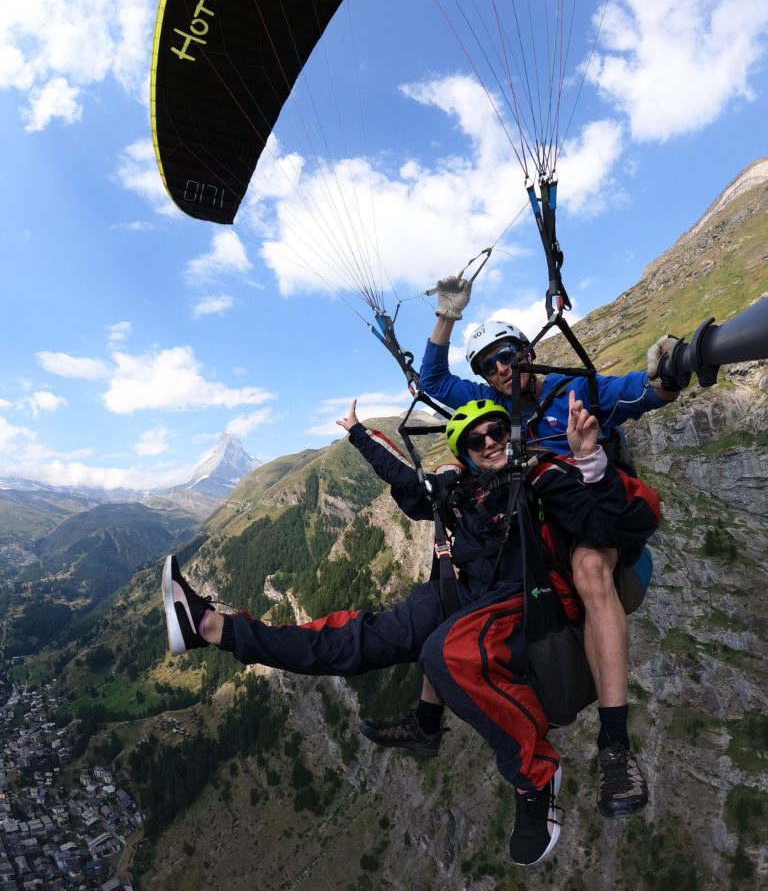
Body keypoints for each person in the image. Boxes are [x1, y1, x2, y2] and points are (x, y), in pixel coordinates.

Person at [163, 393, 659, 867]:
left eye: (496, 431)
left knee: (444, 654)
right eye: (476, 439)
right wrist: (358, 433)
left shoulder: (538, 478)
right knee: (354, 640)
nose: (490, 442)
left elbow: (632, 518)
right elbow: (402, 473)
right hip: (468, 597)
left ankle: (535, 778)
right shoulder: (455, 492)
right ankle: (211, 627)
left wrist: (590, 459)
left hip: (529, 598)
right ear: (463, 453)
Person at [361, 274, 681, 819]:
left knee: (589, 573)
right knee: (452, 589)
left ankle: (616, 746)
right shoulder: (493, 404)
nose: (502, 370)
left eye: (507, 356)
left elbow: (646, 391)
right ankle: (427, 720)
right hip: (528, 524)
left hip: (585, 519)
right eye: (489, 364)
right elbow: (434, 378)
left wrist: (671, 371)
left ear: (528, 351)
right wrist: (446, 315)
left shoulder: (577, 391)